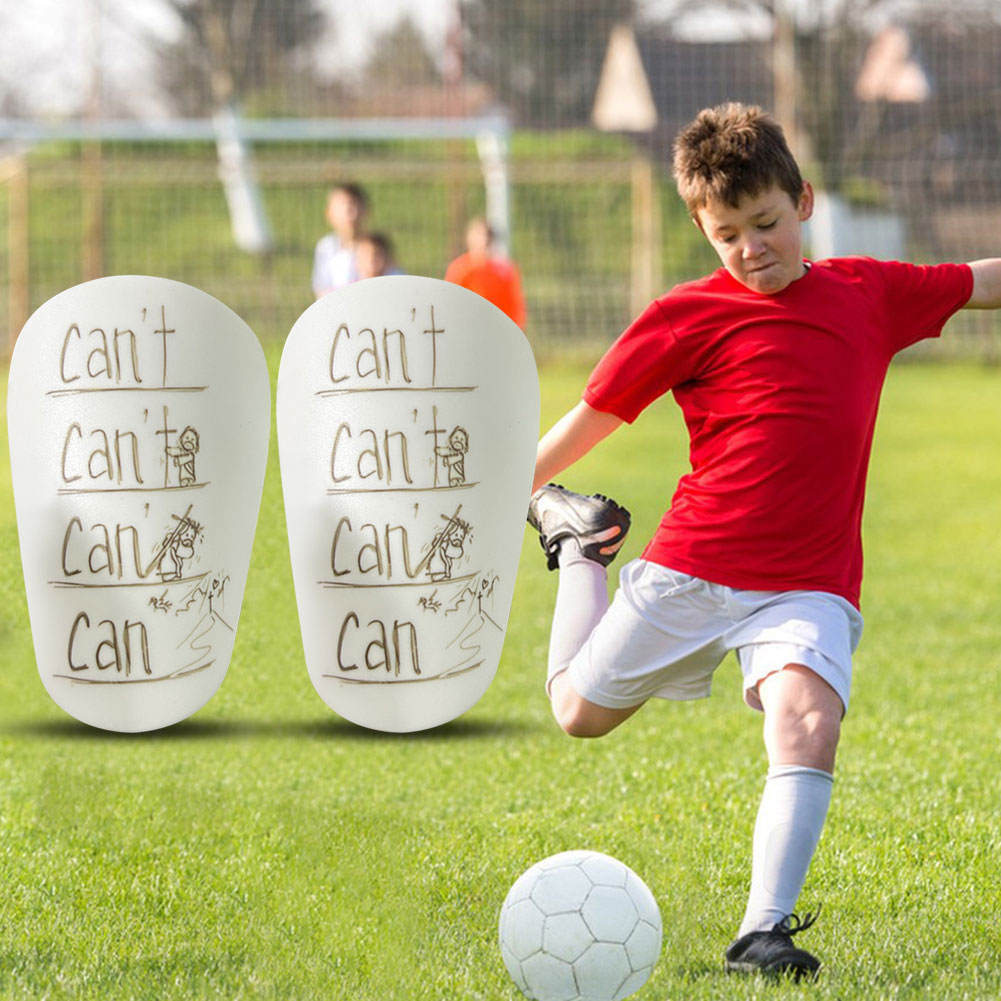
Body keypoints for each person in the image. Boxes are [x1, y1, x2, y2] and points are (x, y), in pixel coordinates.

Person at [526, 102, 1001, 979]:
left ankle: (762, 931)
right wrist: (507, 488)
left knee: (808, 719)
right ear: (702, 231)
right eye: (726, 234)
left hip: (807, 585)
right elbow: (592, 418)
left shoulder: (868, 293)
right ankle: (579, 549)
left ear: (804, 199)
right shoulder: (684, 316)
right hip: (693, 569)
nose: (750, 248)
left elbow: (980, 279)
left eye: (766, 223)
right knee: (577, 715)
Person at [444, 217, 526, 328]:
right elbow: (450, 304)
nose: (483, 240)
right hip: (467, 328)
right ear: (468, 239)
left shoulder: (505, 271)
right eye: (479, 236)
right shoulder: (459, 269)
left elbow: (516, 309)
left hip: (497, 329)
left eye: (486, 236)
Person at [311, 182, 369, 298]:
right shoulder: (326, 247)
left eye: (354, 205)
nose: (351, 214)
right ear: (329, 214)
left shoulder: (375, 247)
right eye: (343, 207)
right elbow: (321, 288)